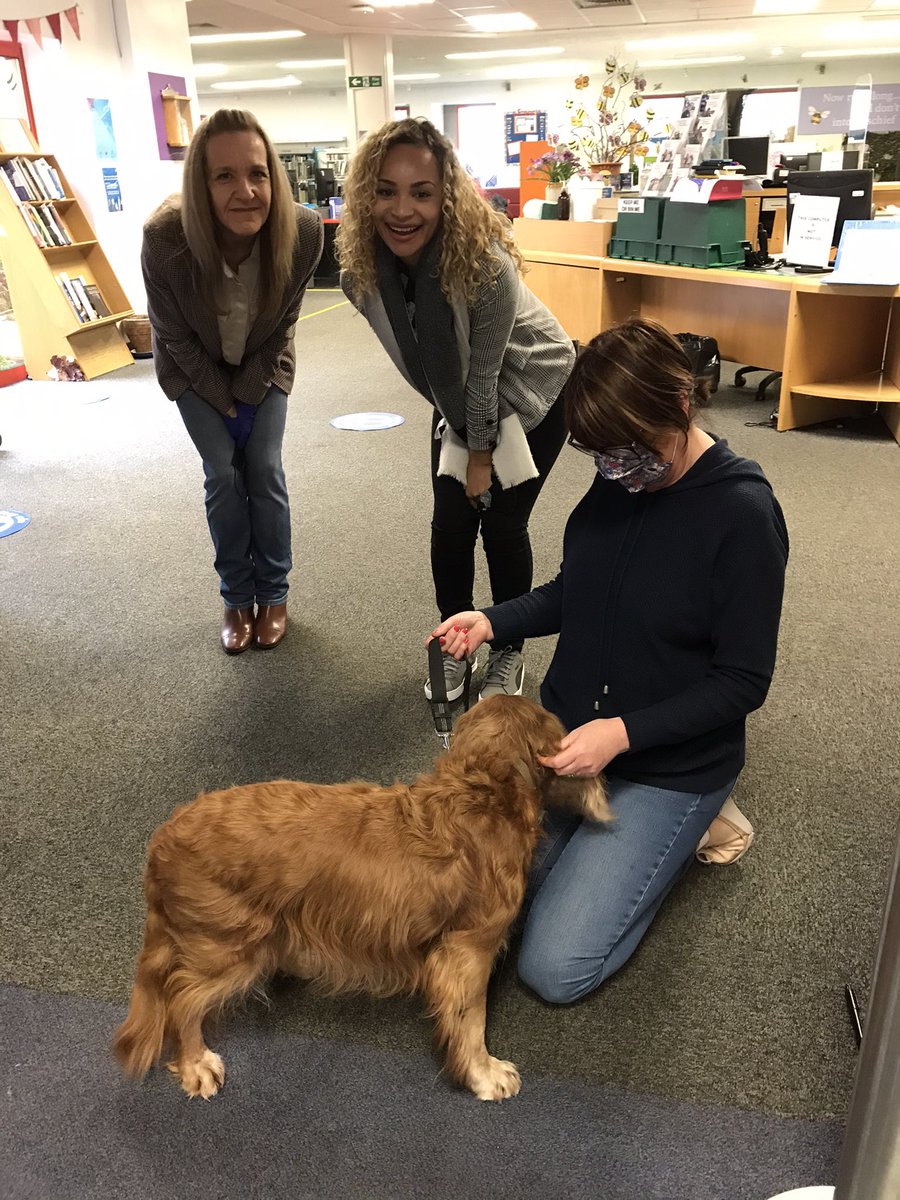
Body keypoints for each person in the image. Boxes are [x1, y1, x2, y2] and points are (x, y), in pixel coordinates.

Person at [432, 317, 789, 1005]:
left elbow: (744, 681)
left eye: (629, 451)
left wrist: (621, 734)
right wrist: (491, 620)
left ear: (681, 405)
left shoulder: (743, 516)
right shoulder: (621, 475)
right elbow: (579, 591)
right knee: (471, 895)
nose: (616, 469)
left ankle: (701, 823)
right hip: (570, 738)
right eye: (599, 455)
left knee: (552, 967)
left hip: (669, 763)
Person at [336, 118, 575, 702]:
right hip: (461, 404)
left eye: (422, 192)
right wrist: (462, 433)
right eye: (386, 190)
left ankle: (508, 650)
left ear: (447, 196)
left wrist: (478, 457)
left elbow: (487, 375)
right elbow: (428, 367)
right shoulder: (363, 274)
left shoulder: (484, 266)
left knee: (499, 522)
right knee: (449, 525)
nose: (402, 210)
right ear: (367, 194)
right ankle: (453, 641)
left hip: (535, 390)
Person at [142, 109, 323, 654]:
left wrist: (246, 397)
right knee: (223, 474)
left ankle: (273, 594)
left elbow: (284, 323)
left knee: (263, 468)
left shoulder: (305, 231)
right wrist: (224, 404)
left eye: (258, 173)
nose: (246, 191)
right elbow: (173, 335)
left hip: (264, 362)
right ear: (201, 185)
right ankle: (234, 597)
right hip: (192, 368)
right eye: (224, 176)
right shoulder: (166, 239)